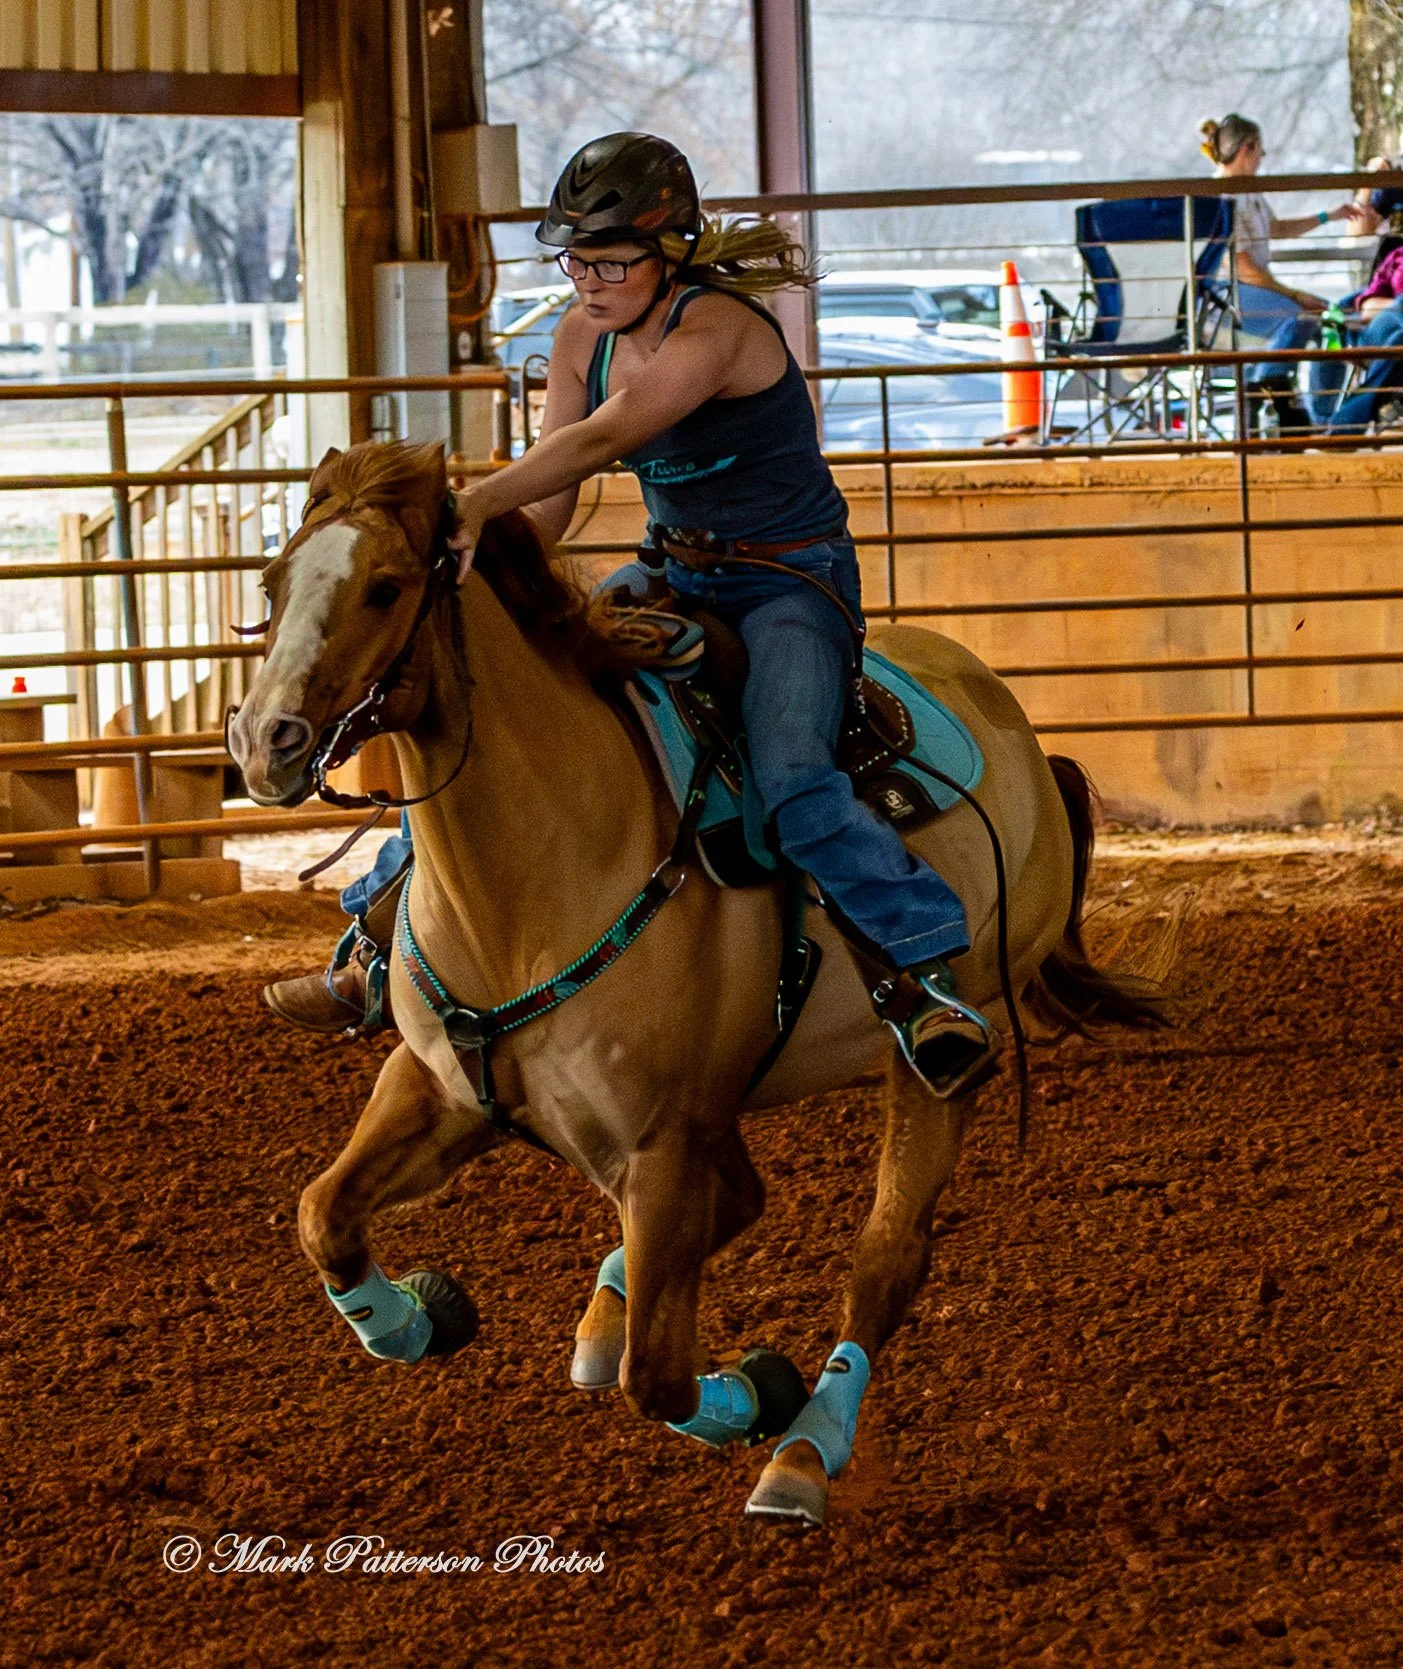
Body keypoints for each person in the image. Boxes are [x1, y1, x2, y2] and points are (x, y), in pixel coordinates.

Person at [263, 131, 1000, 1100]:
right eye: (574, 258)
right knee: (503, 722)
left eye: (610, 260)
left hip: (789, 583)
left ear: (671, 251)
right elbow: (553, 496)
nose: (590, 280)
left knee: (790, 775)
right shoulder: (580, 335)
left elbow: (606, 438)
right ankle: (371, 944)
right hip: (669, 572)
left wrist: (475, 502)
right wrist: (487, 564)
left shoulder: (721, 331)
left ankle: (923, 975)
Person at [1200, 113, 1367, 431]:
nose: (1262, 159)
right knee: (1302, 317)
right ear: (1248, 149)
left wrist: (1326, 217)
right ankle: (1266, 385)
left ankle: (1323, 416)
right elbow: (1245, 268)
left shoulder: (1250, 192)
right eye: (1261, 151)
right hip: (1230, 292)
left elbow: (1276, 228)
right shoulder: (1221, 197)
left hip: (1256, 288)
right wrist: (1295, 295)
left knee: (1330, 318)